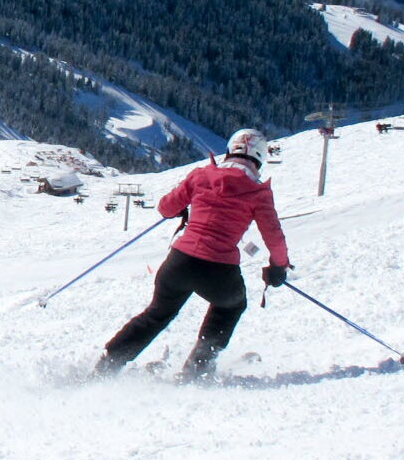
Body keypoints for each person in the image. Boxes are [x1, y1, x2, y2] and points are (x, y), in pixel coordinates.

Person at [96, 129, 290, 381]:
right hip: (219, 271)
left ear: (229, 150)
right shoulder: (258, 192)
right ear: (259, 159)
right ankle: (197, 368)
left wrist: (187, 207)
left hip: (179, 262)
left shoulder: (201, 176)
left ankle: (107, 366)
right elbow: (274, 237)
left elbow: (166, 208)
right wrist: (278, 267)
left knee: (157, 314)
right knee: (231, 305)